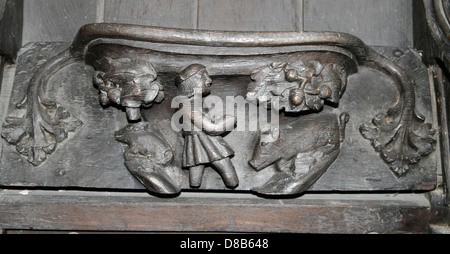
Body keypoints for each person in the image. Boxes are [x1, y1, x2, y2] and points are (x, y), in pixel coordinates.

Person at [174, 64, 239, 188]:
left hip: (195, 142)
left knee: (195, 176)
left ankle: (193, 195)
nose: (209, 80)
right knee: (227, 170)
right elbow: (211, 128)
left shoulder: (190, 104)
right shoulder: (188, 106)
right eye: (203, 77)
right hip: (206, 141)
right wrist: (229, 120)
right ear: (191, 83)